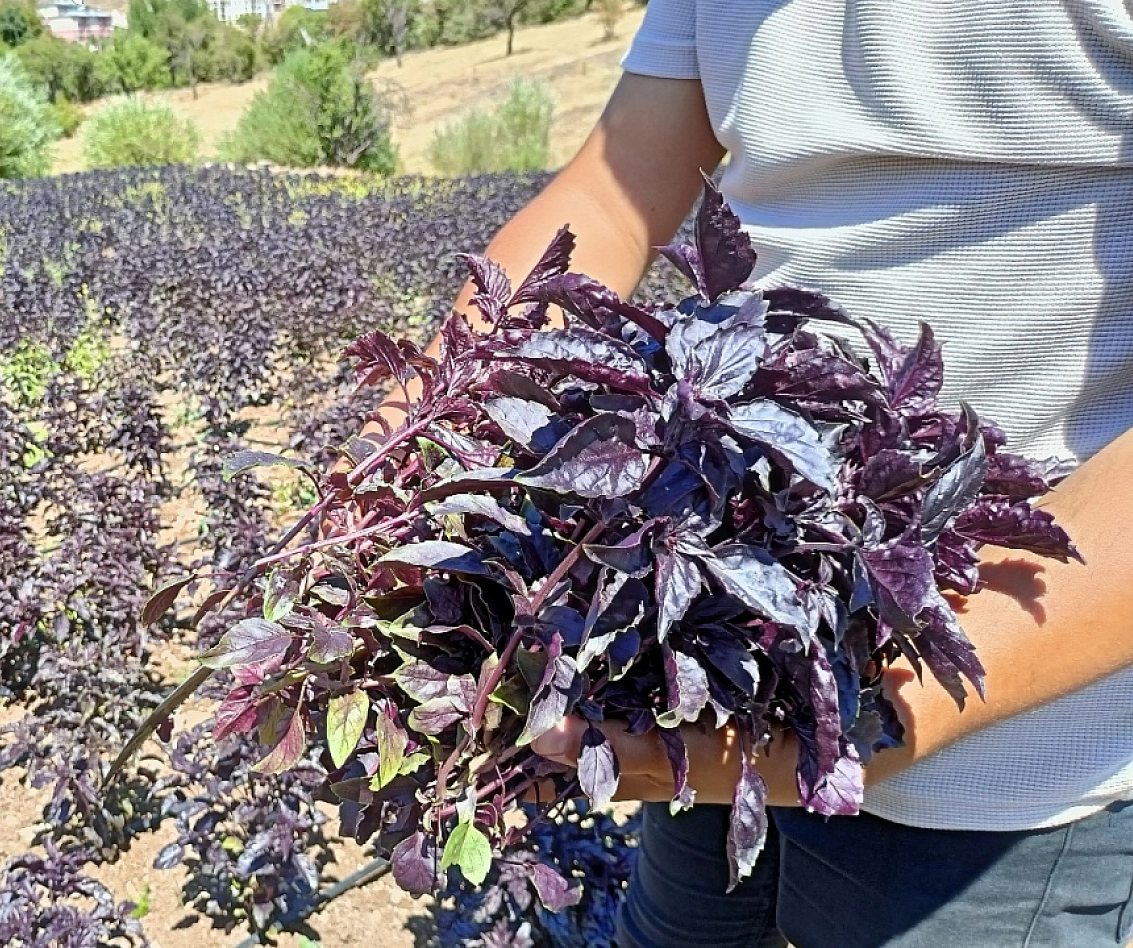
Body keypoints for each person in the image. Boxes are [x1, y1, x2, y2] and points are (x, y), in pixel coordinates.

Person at [375, 2, 1133, 945]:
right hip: (720, 648)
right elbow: (614, 192)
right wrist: (403, 458)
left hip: (993, 781)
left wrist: (881, 718)